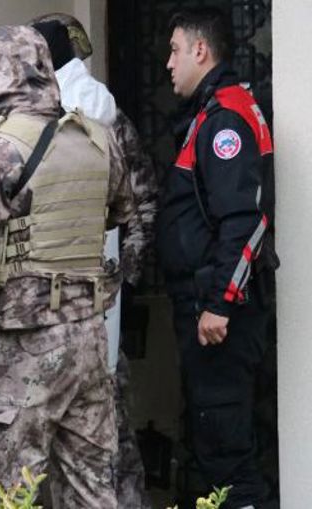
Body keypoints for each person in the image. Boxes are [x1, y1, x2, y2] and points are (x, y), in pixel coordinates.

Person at [0, 25, 134, 508]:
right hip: (89, 341)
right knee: (92, 489)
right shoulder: (98, 140)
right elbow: (121, 211)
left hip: (22, 347)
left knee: (6, 493)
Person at [31, 14, 157, 508]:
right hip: (92, 301)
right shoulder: (105, 114)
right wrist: (121, 281)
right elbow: (143, 204)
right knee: (104, 435)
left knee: (93, 434)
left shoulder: (49, 120)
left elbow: (139, 206)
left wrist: (120, 279)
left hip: (60, 308)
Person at [157, 8, 277, 508]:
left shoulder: (225, 118)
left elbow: (244, 219)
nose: (168, 63)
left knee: (227, 453)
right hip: (209, 310)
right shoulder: (211, 113)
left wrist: (220, 303)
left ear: (200, 50)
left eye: (175, 50)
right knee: (216, 442)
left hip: (220, 319)